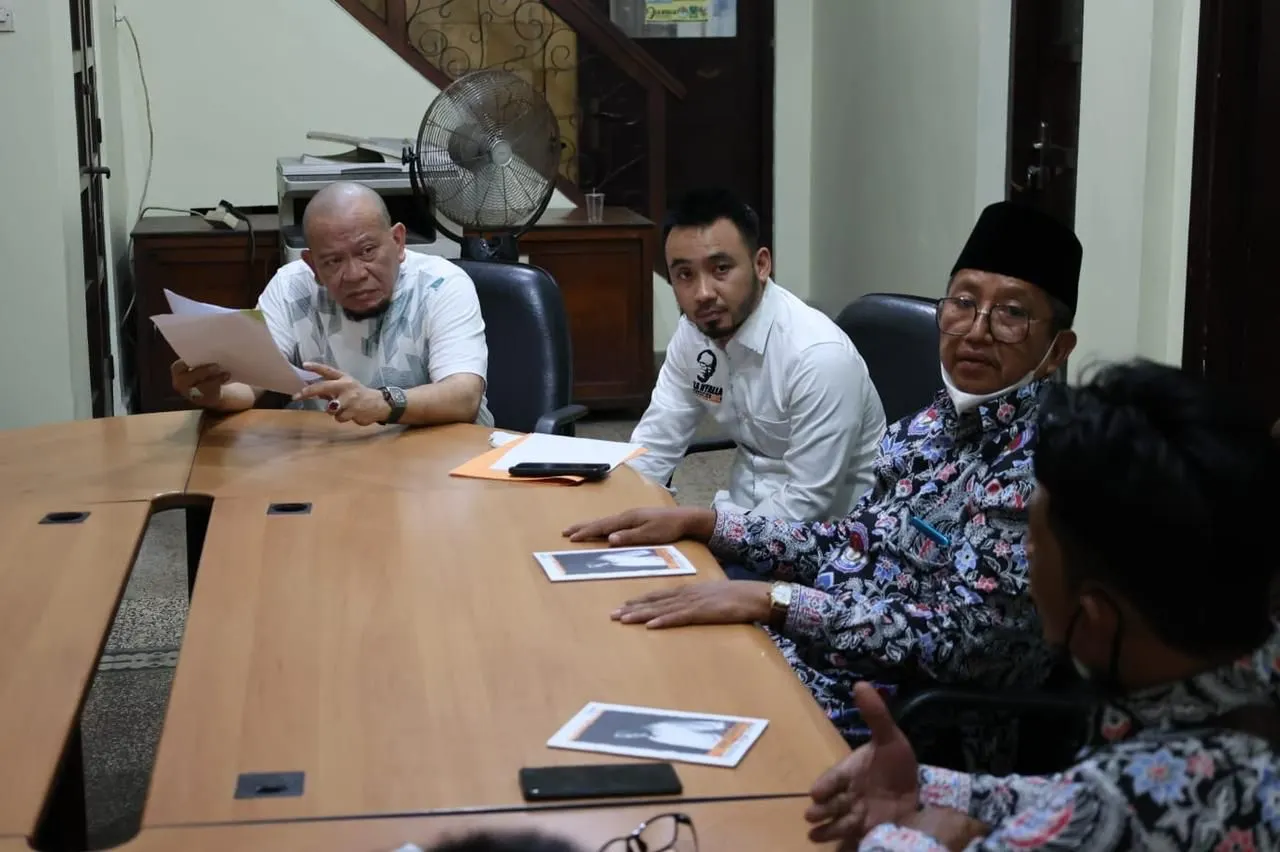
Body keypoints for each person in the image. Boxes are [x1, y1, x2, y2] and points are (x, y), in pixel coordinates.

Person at [564, 201, 1080, 745]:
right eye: (963, 303)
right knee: (630, 656)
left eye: (1011, 314)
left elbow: (966, 644)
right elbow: (853, 542)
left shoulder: (1037, 470)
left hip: (900, 716)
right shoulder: (927, 426)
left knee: (658, 704)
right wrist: (707, 525)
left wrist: (778, 602)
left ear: (1056, 352)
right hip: (823, 650)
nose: (976, 331)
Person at [805, 360, 1280, 851]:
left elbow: (1102, 810)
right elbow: (1073, 802)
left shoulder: (1126, 806)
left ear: (1095, 620)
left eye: (1032, 544)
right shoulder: (1248, 672)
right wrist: (932, 788)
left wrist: (890, 834)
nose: (1023, 558)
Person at [627, 187, 886, 523]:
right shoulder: (693, 334)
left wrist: (714, 534)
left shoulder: (818, 357)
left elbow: (807, 502)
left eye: (721, 269)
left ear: (761, 265)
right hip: (741, 513)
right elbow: (655, 443)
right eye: (685, 275)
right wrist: (621, 510)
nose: (702, 294)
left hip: (832, 534)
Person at [170, 181, 493, 428]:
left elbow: (464, 396)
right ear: (312, 265)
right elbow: (250, 383)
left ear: (397, 241)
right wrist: (210, 392)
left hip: (436, 459)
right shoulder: (291, 287)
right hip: (329, 459)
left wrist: (380, 403)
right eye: (333, 261)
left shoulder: (441, 285)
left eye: (367, 251)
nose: (354, 274)